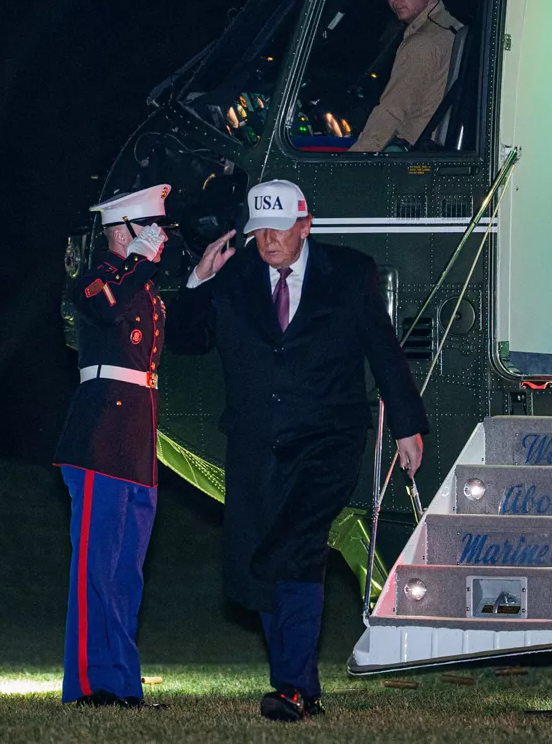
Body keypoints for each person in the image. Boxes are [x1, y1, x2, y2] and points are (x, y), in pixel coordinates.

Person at [165, 179, 428, 722]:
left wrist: (407, 426)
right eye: (260, 230)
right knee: (263, 557)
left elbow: (383, 349)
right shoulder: (234, 277)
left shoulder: (350, 273)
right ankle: (300, 687)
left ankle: (289, 685)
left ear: (305, 226)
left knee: (296, 545)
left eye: (279, 229)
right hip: (257, 442)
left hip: (328, 440)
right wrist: (196, 282)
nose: (269, 241)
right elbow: (186, 338)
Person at [53, 183, 171, 709]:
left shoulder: (144, 289)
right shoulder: (96, 279)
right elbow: (104, 308)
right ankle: (84, 684)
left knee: (126, 571)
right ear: (122, 230)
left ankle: (123, 683)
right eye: (150, 228)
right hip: (100, 435)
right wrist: (140, 264)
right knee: (94, 568)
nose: (159, 238)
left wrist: (198, 278)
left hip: (136, 441)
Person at [349, 0, 463, 152]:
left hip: (412, 155)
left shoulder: (423, 42)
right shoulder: (452, 27)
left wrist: (352, 162)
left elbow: (391, 113)